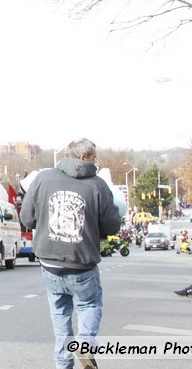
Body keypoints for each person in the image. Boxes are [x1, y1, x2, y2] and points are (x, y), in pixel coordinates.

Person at [19, 138, 122, 369]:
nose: (96, 163)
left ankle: (63, 363)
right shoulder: (98, 185)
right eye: (94, 158)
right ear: (84, 157)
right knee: (89, 305)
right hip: (82, 262)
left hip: (50, 261)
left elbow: (26, 218)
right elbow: (112, 225)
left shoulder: (42, 179)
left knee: (60, 313)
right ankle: (85, 345)